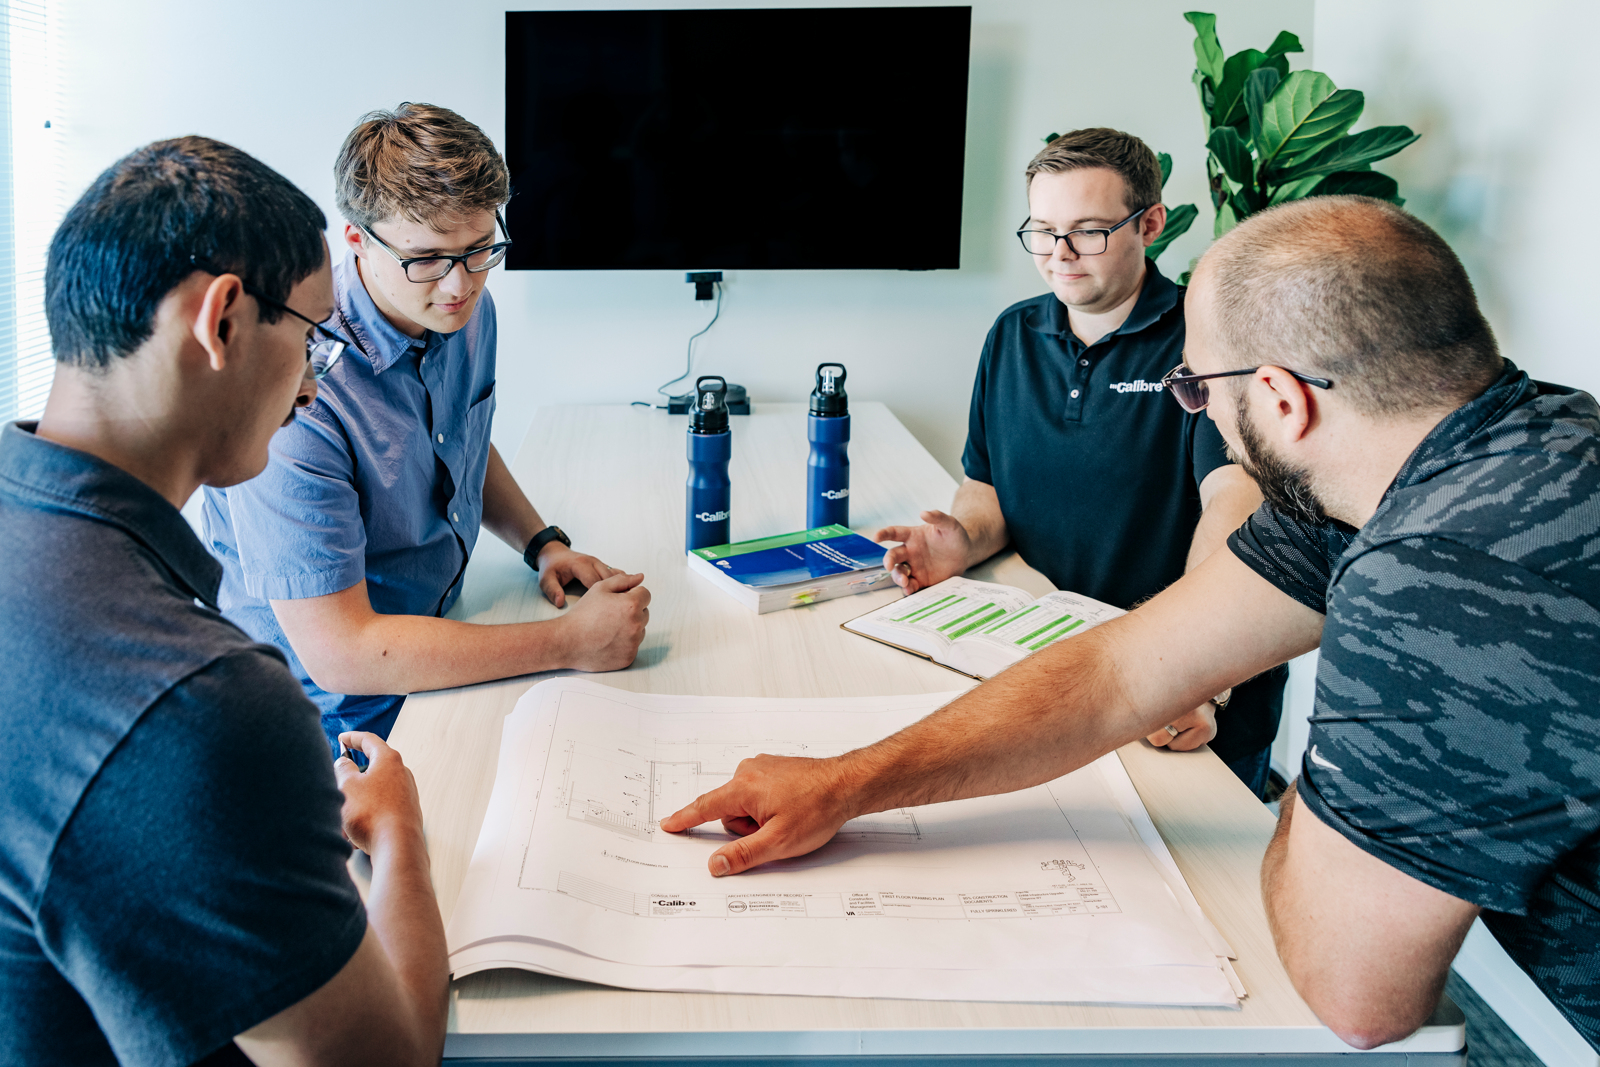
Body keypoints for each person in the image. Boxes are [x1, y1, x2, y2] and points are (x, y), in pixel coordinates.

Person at [663, 196, 1600, 1052]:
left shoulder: (1439, 574)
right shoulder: (1506, 442)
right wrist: (847, 782)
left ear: (1279, 398)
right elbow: (1125, 670)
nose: (1205, 416)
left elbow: (1352, 992)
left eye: (1199, 391)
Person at [0, 137, 447, 1065]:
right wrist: (401, 835)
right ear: (225, 321)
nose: (318, 383)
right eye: (315, 337)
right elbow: (388, 1060)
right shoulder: (201, 702)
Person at [204, 103, 650, 751]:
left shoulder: (466, 311)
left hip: (440, 647)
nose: (460, 285)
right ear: (356, 238)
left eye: (478, 251)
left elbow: (460, 441)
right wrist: (569, 642)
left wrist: (542, 543)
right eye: (428, 259)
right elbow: (342, 653)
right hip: (328, 718)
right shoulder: (296, 386)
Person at [876, 128, 1281, 795]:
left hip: (1180, 685)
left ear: (1149, 222)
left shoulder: (1205, 340)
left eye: (1088, 231)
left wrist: (1193, 667)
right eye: (1043, 230)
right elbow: (987, 486)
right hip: (1055, 660)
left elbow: (1234, 507)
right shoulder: (1013, 333)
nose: (1058, 255)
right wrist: (963, 539)